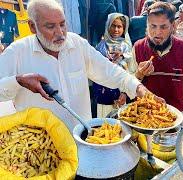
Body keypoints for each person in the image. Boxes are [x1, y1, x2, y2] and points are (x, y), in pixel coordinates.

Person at [0, 0, 151, 131]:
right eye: (50, 26)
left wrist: (138, 87)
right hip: (42, 149)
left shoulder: (77, 44)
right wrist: (18, 81)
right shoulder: (17, 52)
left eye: (62, 24)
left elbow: (110, 72)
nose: (60, 33)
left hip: (82, 139)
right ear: (33, 27)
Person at [130, 2, 183, 124]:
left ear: (173, 26)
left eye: (163, 27)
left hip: (176, 118)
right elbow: (129, 83)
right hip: (146, 120)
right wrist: (139, 74)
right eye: (153, 26)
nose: (157, 32)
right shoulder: (138, 47)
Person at [92, 13, 133, 118]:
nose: (116, 29)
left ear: (124, 29)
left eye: (119, 27)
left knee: (122, 118)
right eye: (113, 25)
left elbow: (132, 67)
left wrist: (122, 57)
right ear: (108, 26)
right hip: (104, 90)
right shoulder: (101, 45)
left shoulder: (126, 46)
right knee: (105, 120)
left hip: (121, 89)